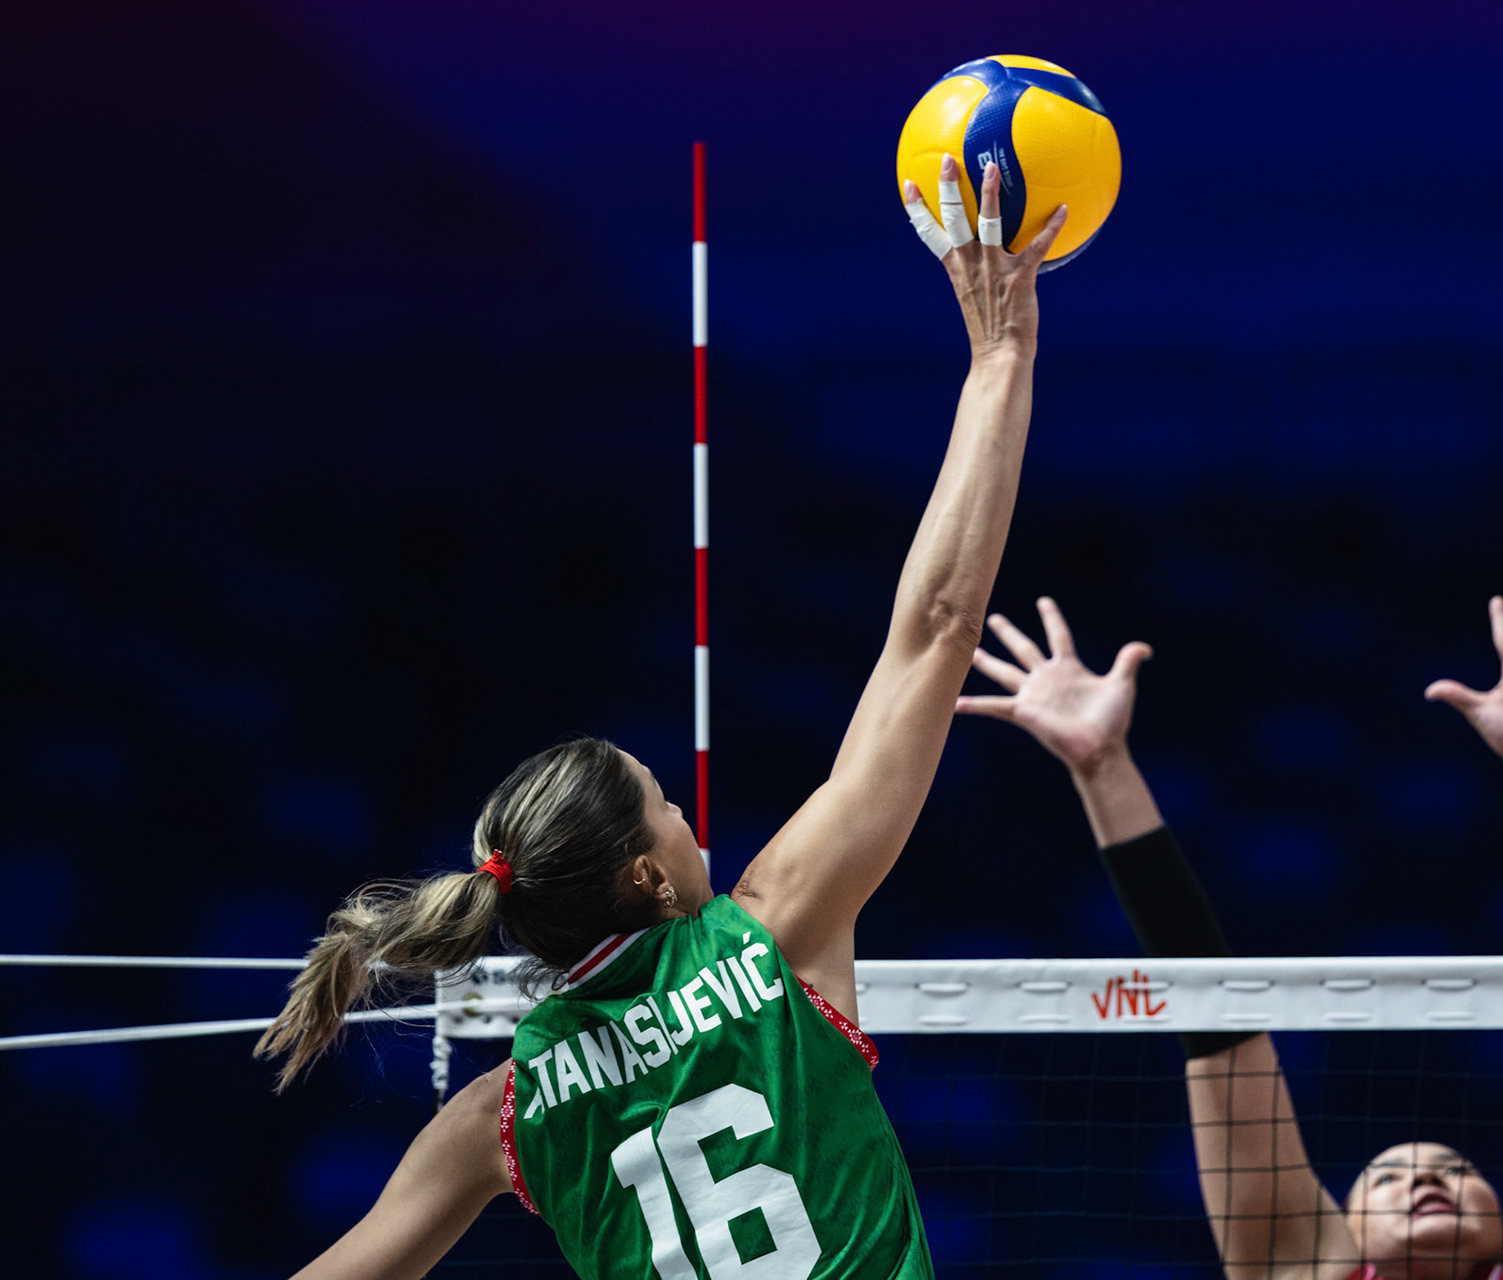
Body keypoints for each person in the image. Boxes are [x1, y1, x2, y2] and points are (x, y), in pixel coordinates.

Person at [253, 157, 1068, 1280]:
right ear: (646, 876)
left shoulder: (503, 1112)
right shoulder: (774, 930)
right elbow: (935, 626)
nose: (693, 819)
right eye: (669, 806)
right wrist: (1000, 359)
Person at [957, 594, 1503, 1280]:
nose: (1426, 1182)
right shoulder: (1301, 1266)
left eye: (1455, 1170)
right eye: (1388, 1178)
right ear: (1346, 1230)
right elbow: (1220, 1031)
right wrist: (1102, 766)